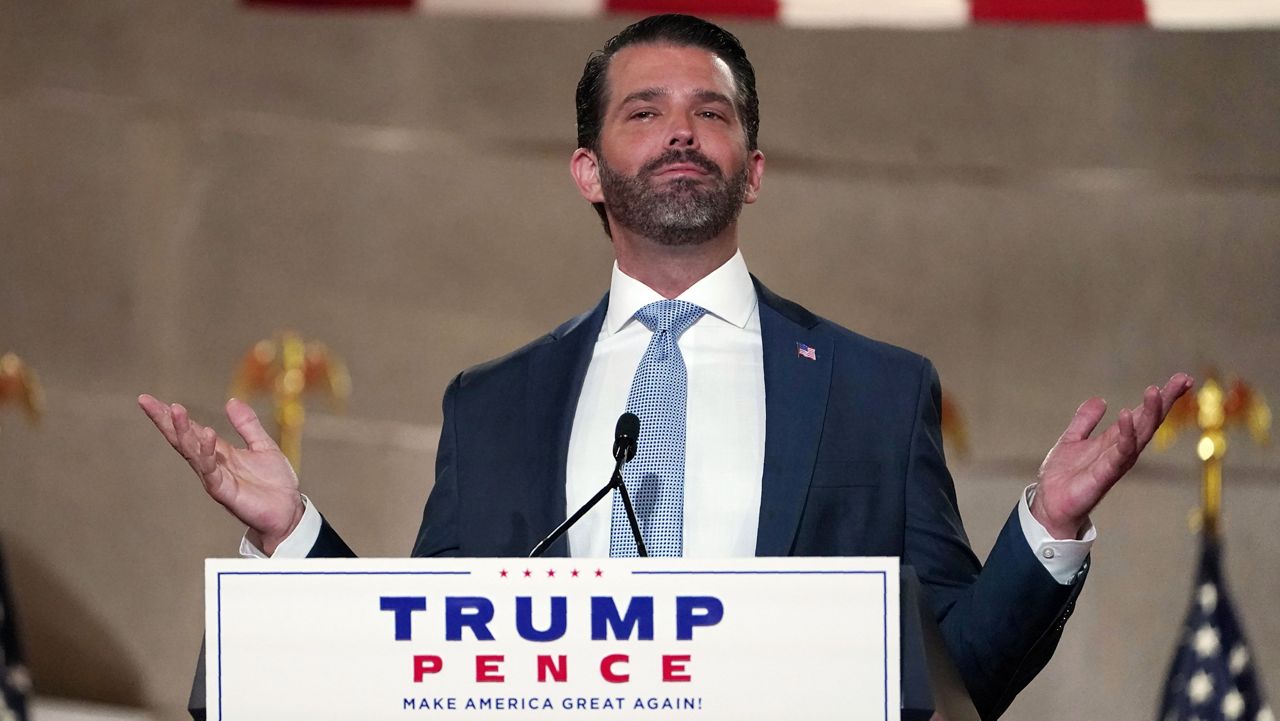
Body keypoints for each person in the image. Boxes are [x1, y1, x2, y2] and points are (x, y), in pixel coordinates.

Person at [138, 14, 1192, 720]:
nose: (680, 131)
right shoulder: (493, 405)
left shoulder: (875, 390)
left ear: (753, 170)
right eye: (643, 111)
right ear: (587, 170)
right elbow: (421, 659)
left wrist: (1044, 531)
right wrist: (294, 538)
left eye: (712, 112)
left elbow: (956, 676)